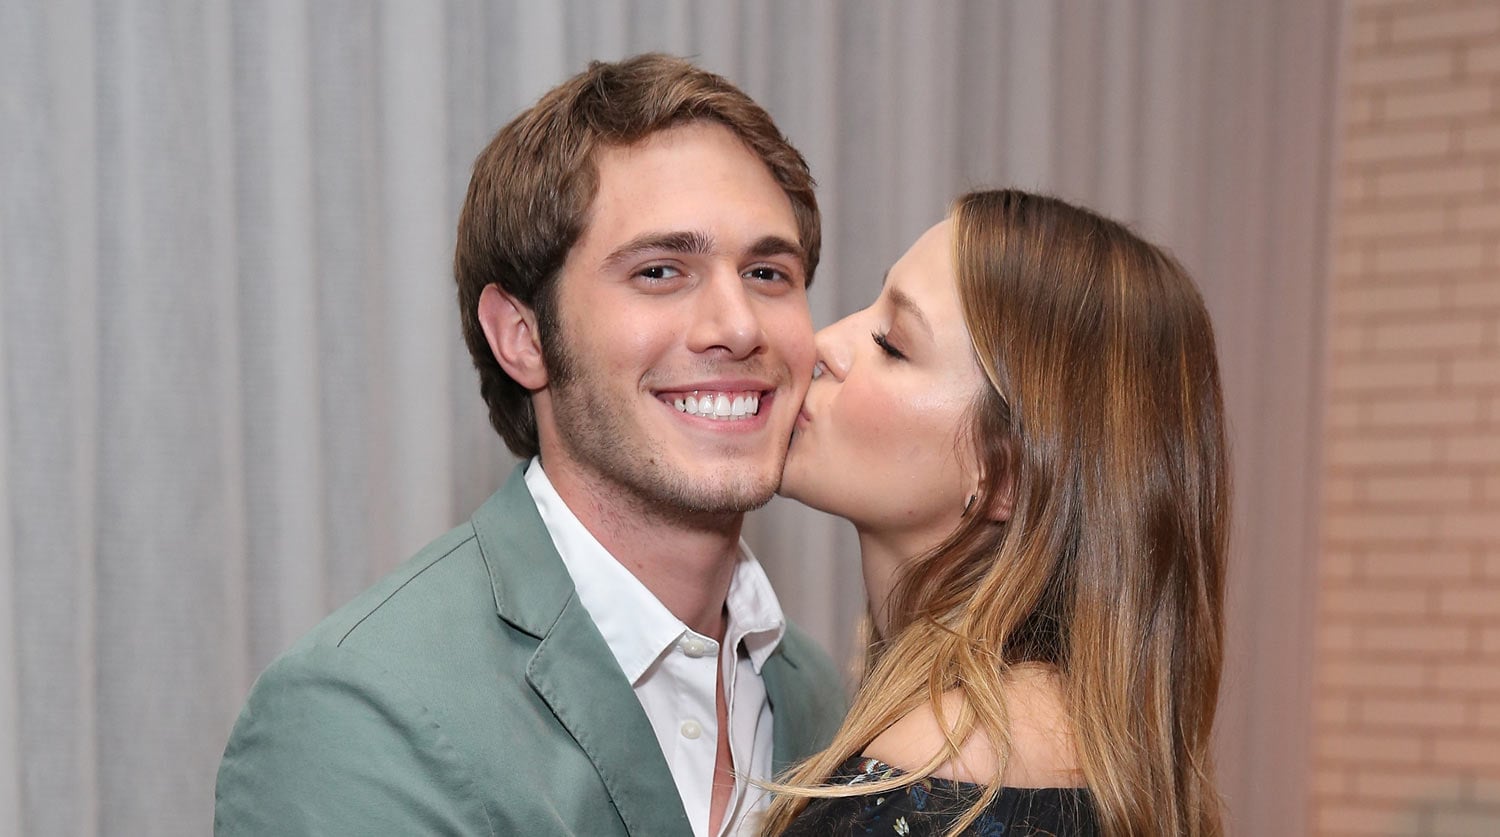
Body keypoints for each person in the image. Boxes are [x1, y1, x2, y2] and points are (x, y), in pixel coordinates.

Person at [214, 54, 846, 837]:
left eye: (767, 271)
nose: (739, 325)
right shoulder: (357, 715)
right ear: (522, 336)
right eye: (659, 270)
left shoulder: (825, 701)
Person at [764, 189, 1228, 836]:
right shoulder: (1091, 755)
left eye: (892, 344)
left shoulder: (923, 782)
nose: (822, 342)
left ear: (1003, 473)